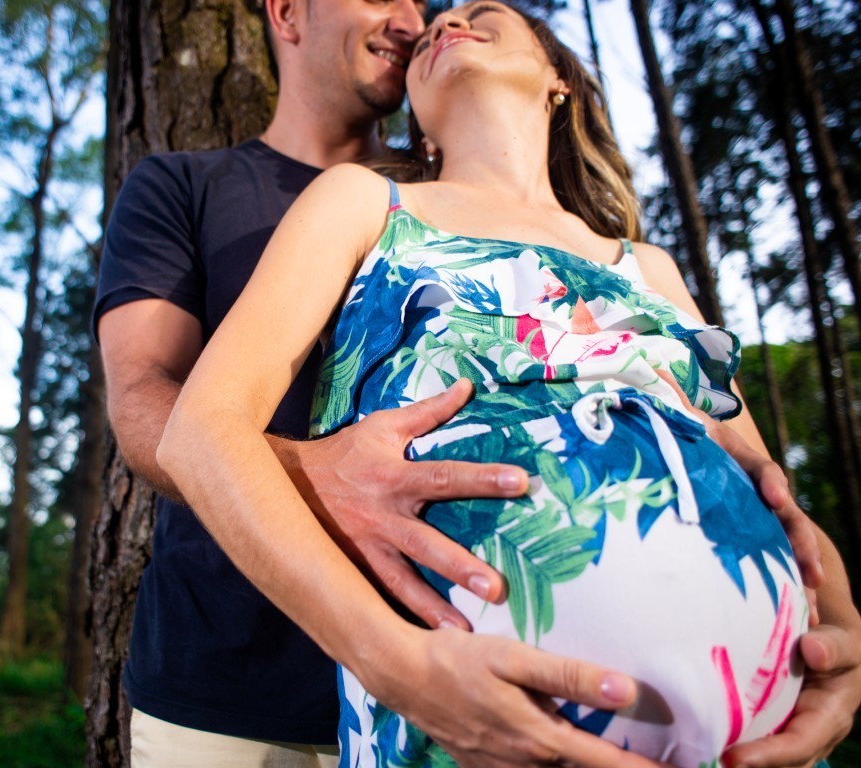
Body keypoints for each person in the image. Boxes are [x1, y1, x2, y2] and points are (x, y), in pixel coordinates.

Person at [156, 2, 861, 767]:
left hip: (757, 726)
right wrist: (394, 664)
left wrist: (844, 632)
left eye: (480, 12)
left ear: (558, 76)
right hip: (462, 722)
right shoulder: (364, 203)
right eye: (430, 33)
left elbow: (764, 483)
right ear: (416, 122)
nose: (445, 22)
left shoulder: (646, 266)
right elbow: (201, 431)